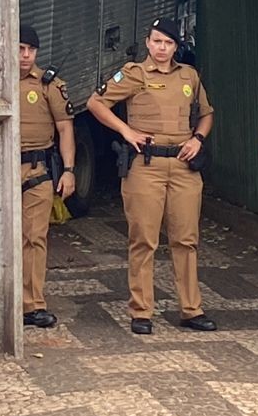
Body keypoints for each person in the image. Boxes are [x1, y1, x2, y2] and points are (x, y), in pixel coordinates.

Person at [87, 18, 216, 334]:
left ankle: (191, 309)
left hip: (184, 167)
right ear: (148, 42)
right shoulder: (134, 74)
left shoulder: (189, 75)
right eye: (157, 41)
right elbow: (95, 103)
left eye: (168, 43)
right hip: (146, 166)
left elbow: (207, 113)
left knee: (186, 239)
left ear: (176, 46)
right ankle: (141, 311)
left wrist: (198, 138)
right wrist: (125, 130)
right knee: (144, 238)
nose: (162, 48)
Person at [18, 24, 76, 328]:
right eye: (20, 48)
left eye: (31, 50)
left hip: (37, 172)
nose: (26, 55)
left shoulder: (48, 85)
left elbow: (65, 127)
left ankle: (32, 304)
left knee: (34, 238)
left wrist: (68, 170)